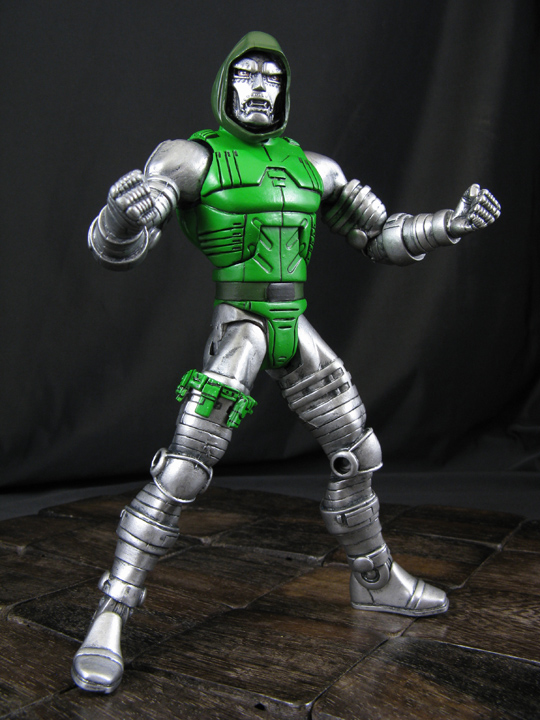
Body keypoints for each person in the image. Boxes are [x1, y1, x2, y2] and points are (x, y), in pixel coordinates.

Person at [72, 31, 500, 693]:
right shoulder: (189, 158)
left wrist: (449, 224)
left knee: (359, 452)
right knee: (183, 470)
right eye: (247, 75)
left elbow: (379, 235)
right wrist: (121, 217)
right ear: (226, 84)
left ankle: (375, 578)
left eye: (271, 78)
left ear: (284, 91)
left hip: (294, 326)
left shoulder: (316, 169)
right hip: (239, 328)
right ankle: (113, 608)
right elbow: (119, 246)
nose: (259, 88)